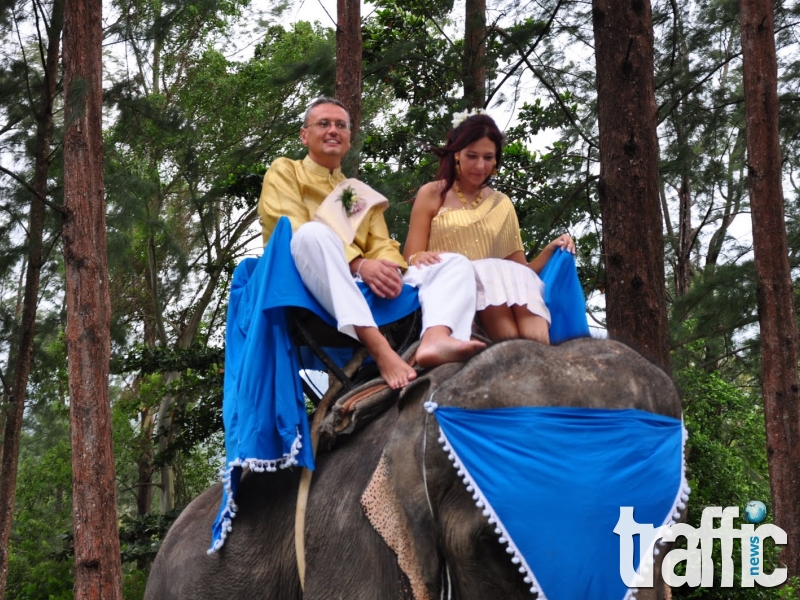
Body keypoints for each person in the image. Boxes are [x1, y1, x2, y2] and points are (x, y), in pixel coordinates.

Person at [258, 97, 485, 389]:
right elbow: (289, 228)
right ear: (304, 135)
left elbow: (381, 243)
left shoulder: (357, 192)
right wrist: (358, 263)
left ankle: (438, 339)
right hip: (310, 276)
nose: (333, 130)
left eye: (341, 125)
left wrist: (390, 267)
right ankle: (380, 348)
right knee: (312, 234)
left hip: (363, 282)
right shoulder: (285, 170)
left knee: (454, 263)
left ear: (349, 139)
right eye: (323, 123)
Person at [403, 111, 576, 344]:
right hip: (452, 283)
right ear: (456, 154)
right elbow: (410, 258)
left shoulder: (502, 203)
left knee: (526, 311)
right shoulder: (432, 193)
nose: (480, 165)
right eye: (472, 156)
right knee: (489, 279)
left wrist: (550, 250)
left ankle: (544, 360)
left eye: (488, 157)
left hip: (500, 290)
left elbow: (521, 271)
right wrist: (420, 257)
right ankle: (512, 354)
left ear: (496, 160)